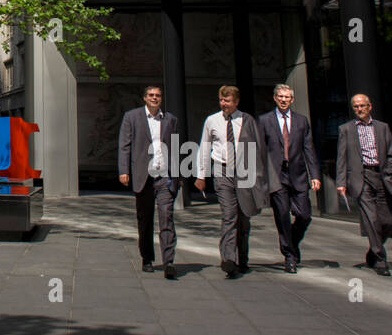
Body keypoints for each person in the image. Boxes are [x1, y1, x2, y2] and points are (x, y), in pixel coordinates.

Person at [196, 85, 276, 277]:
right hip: (222, 170)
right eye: (222, 100)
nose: (224, 104)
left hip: (244, 172)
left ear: (236, 102)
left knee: (244, 217)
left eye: (228, 101)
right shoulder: (212, 121)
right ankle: (228, 259)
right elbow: (205, 147)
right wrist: (201, 175)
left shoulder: (247, 120)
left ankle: (242, 259)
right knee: (229, 215)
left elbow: (258, 150)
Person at [258, 84, 321, 273]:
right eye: (280, 96)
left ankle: (291, 242)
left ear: (292, 100)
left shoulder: (302, 121)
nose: (284, 100)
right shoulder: (264, 121)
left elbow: (309, 149)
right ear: (275, 98)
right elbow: (260, 151)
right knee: (282, 215)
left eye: (287, 97)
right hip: (276, 176)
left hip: (298, 175)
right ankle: (289, 256)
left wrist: (315, 175)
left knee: (304, 215)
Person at [118, 85, 178, 279]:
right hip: (143, 176)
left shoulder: (170, 120)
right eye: (151, 95)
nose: (155, 98)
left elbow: (176, 148)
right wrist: (124, 171)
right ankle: (147, 258)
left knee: (166, 217)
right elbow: (124, 145)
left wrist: (178, 175)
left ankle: (169, 261)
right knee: (145, 220)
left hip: (164, 177)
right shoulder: (132, 117)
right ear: (144, 98)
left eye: (158, 95)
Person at [336, 93, 392, 276]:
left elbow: (391, 154)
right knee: (371, 219)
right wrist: (341, 182)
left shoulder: (383, 128)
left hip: (381, 176)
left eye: (362, 106)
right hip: (360, 178)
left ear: (370, 107)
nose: (359, 109)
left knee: (387, 222)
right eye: (356, 106)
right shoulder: (346, 129)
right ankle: (380, 259)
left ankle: (373, 250)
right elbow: (342, 158)